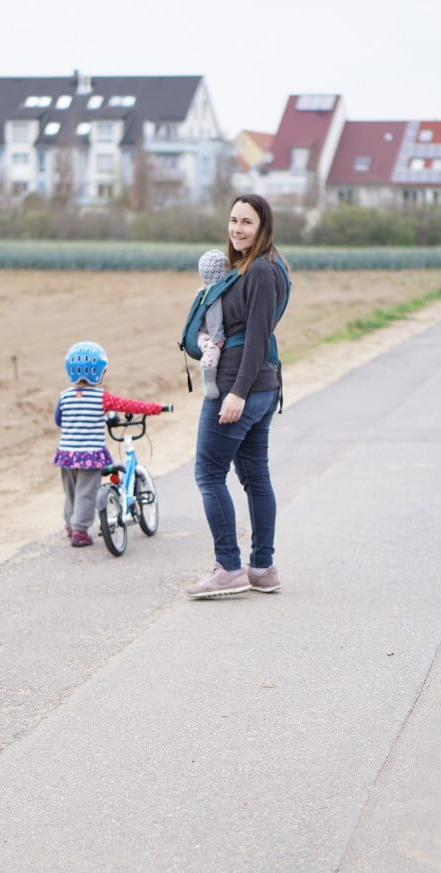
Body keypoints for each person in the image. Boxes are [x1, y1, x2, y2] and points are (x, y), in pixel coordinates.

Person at [187, 194, 290, 599]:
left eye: (247, 222)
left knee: (209, 473)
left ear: (263, 227)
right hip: (260, 387)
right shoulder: (253, 268)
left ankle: (229, 568)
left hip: (240, 386)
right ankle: (262, 569)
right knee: (254, 476)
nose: (237, 228)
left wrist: (236, 394)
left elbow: (258, 337)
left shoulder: (261, 271)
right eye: (233, 220)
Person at [54, 341, 164, 547]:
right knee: (86, 493)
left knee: (71, 491)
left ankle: (70, 524)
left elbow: (58, 420)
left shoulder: (64, 396)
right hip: (90, 455)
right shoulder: (101, 397)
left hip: (66, 453)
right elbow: (129, 405)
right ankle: (80, 531)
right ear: (99, 372)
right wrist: (154, 408)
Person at [196, 249, 229, 400]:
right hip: (206, 334)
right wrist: (217, 337)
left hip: (206, 331)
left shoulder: (210, 289)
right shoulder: (214, 294)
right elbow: (213, 317)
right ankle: (208, 378)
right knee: (212, 351)